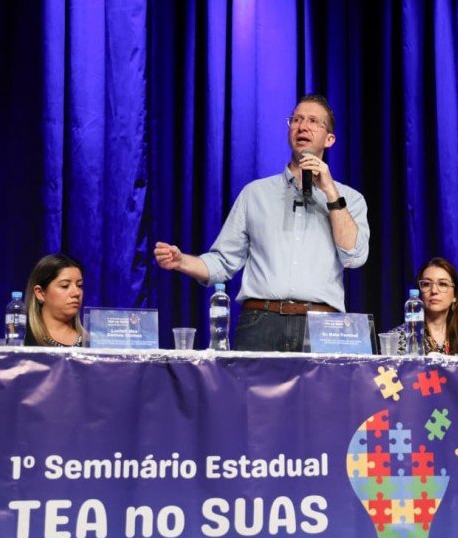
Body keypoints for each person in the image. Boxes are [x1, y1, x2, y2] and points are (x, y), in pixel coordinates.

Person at [153, 94, 370, 351]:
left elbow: (354, 257)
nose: (303, 127)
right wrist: (182, 261)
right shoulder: (255, 193)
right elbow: (223, 262)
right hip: (261, 322)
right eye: (297, 119)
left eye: (314, 121)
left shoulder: (350, 199)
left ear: (329, 139)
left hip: (324, 326)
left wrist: (331, 193)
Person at [389, 257, 458, 356]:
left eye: (442, 284)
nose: (434, 291)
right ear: (419, 293)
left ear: (455, 296)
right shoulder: (398, 338)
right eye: (426, 284)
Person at [24, 253, 85, 347]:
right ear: (40, 293)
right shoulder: (22, 341)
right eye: (65, 286)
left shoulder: (94, 342)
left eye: (79, 285)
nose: (76, 293)